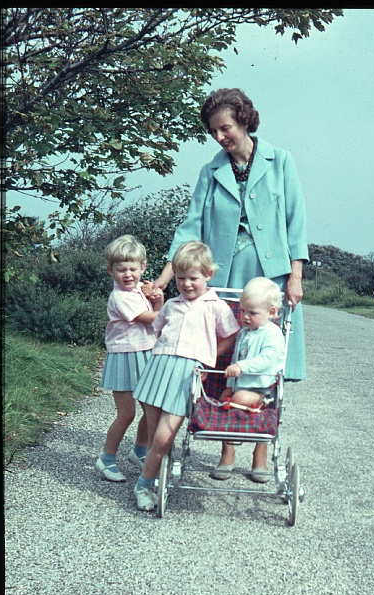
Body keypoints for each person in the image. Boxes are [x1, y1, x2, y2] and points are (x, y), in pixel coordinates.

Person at [145, 87, 308, 474]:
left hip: (270, 276)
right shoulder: (211, 172)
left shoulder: (281, 161)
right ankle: (226, 452)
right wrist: (165, 279)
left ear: (244, 121)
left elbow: (296, 222)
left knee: (265, 360)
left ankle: (260, 454)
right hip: (224, 275)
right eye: (214, 132)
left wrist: (296, 277)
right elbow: (189, 232)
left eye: (226, 128)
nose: (220, 137)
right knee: (225, 359)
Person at [132, 241, 240, 511]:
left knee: (163, 437)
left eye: (194, 278)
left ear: (208, 276)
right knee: (155, 430)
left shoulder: (216, 305)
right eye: (181, 278)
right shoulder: (172, 305)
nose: (187, 284)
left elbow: (231, 334)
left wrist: (208, 358)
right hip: (159, 368)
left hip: (187, 373)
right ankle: (150, 481)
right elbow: (158, 329)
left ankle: (145, 481)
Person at [96, 235, 164, 482]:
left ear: (143, 267)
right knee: (126, 413)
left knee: (152, 408)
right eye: (121, 269)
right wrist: (175, 310)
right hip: (124, 356)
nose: (128, 275)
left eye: (133, 269)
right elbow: (152, 318)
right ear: (110, 270)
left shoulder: (138, 291)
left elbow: (155, 313)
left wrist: (157, 298)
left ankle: (139, 450)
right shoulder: (120, 297)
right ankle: (106, 459)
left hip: (146, 352)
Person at [210, 277, 286, 483]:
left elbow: (267, 359)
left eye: (252, 313)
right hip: (239, 387)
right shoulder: (244, 333)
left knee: (239, 400)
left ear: (271, 312)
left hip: (262, 389)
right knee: (228, 400)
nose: (245, 317)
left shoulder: (272, 333)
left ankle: (259, 458)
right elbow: (235, 361)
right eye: (243, 311)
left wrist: (241, 367)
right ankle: (227, 455)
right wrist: (228, 385)